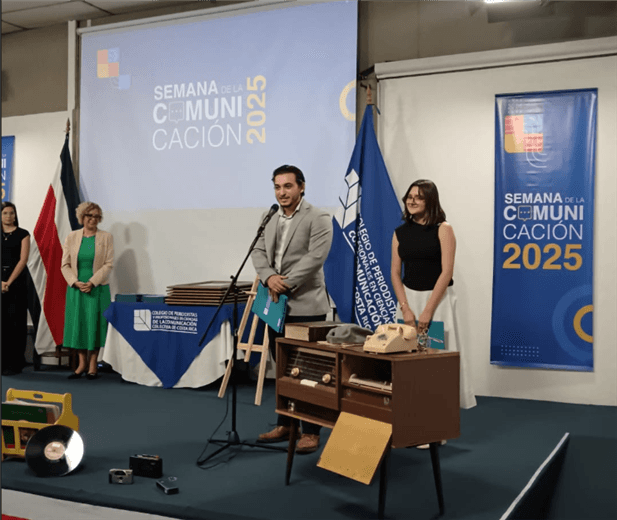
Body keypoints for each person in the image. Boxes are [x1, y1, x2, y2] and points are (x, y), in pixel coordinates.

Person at [251, 165, 333, 454]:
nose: (282, 192)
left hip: (306, 304)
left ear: (302, 186)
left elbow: (316, 257)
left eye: (288, 186)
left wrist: (282, 283)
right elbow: (258, 251)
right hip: (274, 304)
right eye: (277, 187)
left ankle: (311, 431)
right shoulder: (270, 215)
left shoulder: (318, 217)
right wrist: (268, 277)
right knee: (282, 367)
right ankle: (286, 424)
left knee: (308, 370)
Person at [391, 180, 476, 447]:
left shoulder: (444, 229)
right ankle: (411, 424)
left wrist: (427, 311)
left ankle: (435, 428)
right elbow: (395, 272)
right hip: (408, 303)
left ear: (431, 201)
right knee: (407, 366)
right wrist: (406, 308)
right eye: (409, 196)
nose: (412, 201)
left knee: (434, 367)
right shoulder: (399, 232)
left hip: (437, 304)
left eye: (419, 197)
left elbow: (446, 271)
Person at [61, 202, 113, 380]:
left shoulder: (106, 237)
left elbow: (108, 264)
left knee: (95, 325)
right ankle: (81, 363)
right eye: (90, 216)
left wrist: (92, 282)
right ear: (82, 217)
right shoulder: (72, 237)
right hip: (76, 289)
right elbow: (65, 265)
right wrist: (75, 282)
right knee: (80, 325)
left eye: (97, 216)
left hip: (97, 288)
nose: (93, 219)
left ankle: (93, 364)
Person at [1, 202, 31, 375]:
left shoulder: (23, 234)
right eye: (5, 213)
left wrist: (8, 282)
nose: (8, 216)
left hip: (17, 283)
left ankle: (15, 362)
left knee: (15, 323)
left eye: (11, 213)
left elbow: (23, 260)